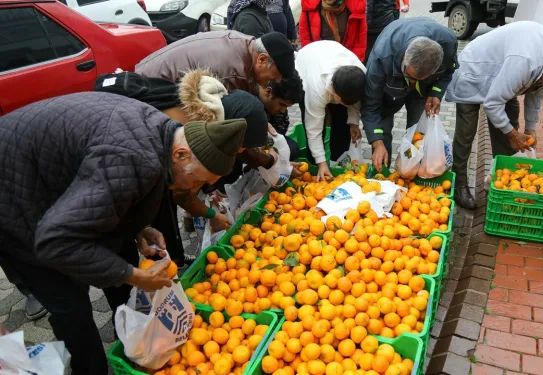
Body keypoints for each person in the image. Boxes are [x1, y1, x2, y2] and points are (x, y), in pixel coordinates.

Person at [0, 91, 247, 375]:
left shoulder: (160, 132)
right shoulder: (134, 157)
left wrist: (139, 228)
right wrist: (131, 274)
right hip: (14, 203)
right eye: (196, 180)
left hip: (48, 185)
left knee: (120, 257)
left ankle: (133, 344)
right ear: (181, 154)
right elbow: (55, 242)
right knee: (71, 303)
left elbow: (106, 186)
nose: (192, 191)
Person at [446, 21, 543, 210]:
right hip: (476, 69)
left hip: (505, 73)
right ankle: (460, 185)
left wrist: (530, 126)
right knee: (466, 134)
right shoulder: (525, 61)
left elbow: (538, 90)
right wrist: (512, 134)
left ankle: (502, 180)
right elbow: (492, 103)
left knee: (508, 125)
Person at [362, 17, 458, 172]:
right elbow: (371, 106)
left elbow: (449, 71)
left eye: (419, 79)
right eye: (410, 77)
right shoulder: (382, 58)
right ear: (405, 56)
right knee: (382, 131)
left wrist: (436, 92)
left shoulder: (447, 43)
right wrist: (376, 141)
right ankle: (383, 175)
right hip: (388, 91)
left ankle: (413, 172)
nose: (412, 84)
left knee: (418, 132)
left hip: (423, 92)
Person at [135, 30, 296, 93]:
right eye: (273, 76)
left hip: (146, 69)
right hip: (148, 88)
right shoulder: (234, 73)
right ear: (262, 59)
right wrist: (266, 159)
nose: (272, 82)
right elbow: (219, 128)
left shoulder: (245, 43)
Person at [296, 40, 366, 180]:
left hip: (332, 55)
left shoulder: (361, 75)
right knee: (317, 129)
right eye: (342, 101)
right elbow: (313, 129)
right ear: (333, 88)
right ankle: (316, 168)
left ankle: (336, 163)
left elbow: (355, 102)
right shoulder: (316, 88)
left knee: (342, 126)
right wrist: (321, 162)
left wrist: (353, 122)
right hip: (307, 64)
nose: (345, 105)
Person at [299, 0, 367, 62]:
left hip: (346, 61)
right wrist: (311, 60)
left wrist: (355, 63)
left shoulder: (356, 6)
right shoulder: (309, 5)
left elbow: (360, 41)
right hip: (319, 60)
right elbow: (305, 37)